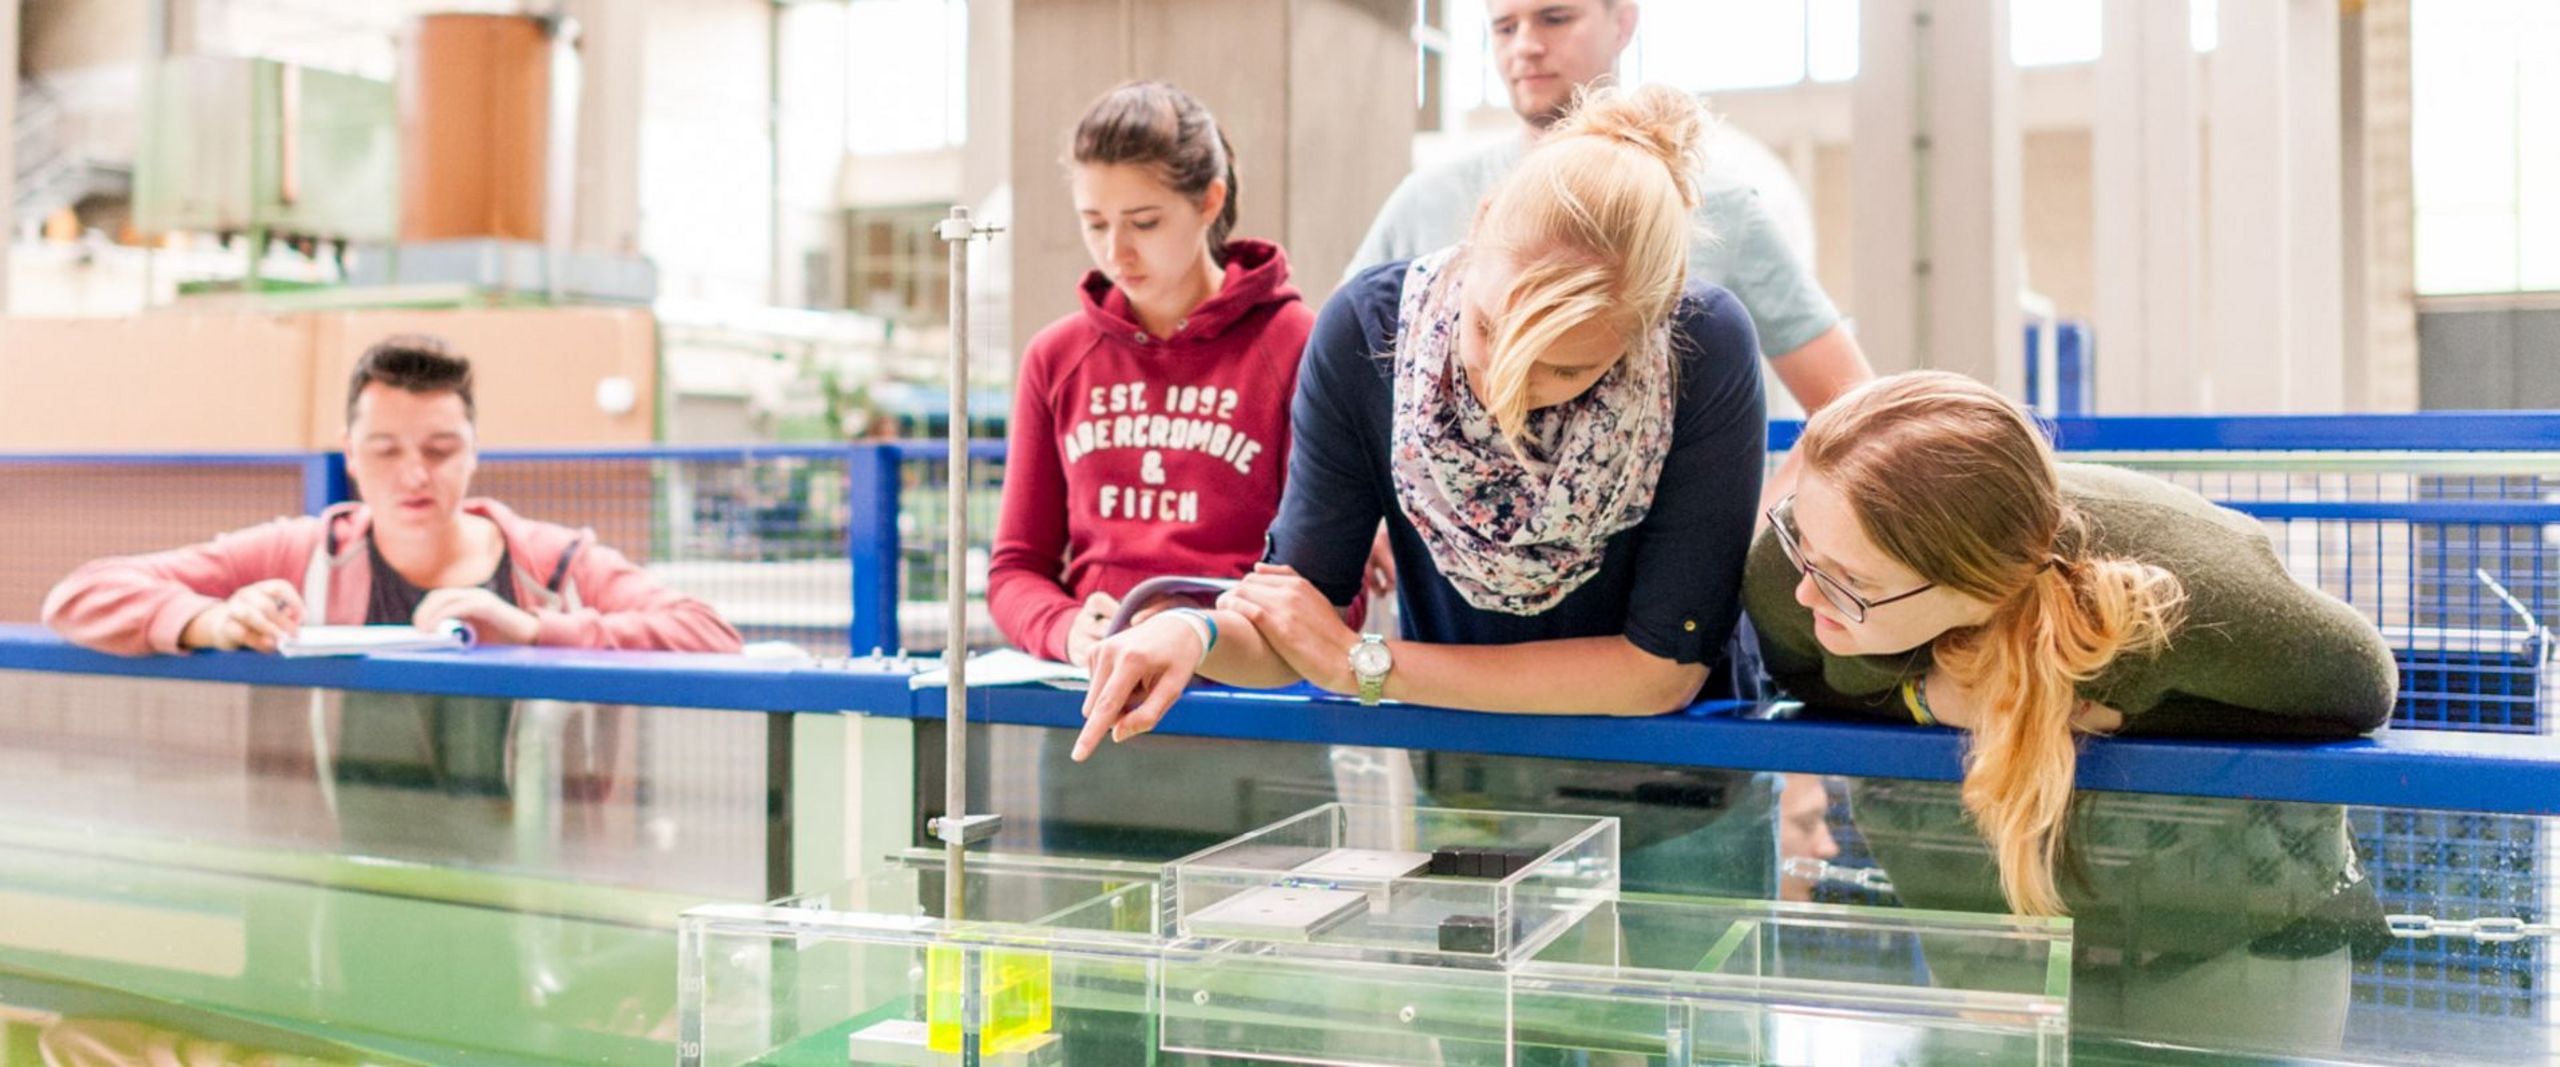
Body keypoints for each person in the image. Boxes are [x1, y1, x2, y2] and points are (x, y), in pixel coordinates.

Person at [1073, 84, 1766, 761]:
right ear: (1480, 223)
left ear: (1650, 324)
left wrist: (1367, 665)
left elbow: (1659, 671)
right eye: (1489, 329)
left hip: (1679, 787)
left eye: (1564, 370)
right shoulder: (1365, 334)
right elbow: (1292, 624)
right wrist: (1193, 632)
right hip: (1464, 784)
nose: (1506, 388)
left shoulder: (1703, 348)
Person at [1743, 371, 2397, 915]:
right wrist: (1929, 696)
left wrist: (2126, 711)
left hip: (2245, 920)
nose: (1806, 593)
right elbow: (1808, 680)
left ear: (1976, 589)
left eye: (1850, 581)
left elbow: (2360, 688)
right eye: (1804, 541)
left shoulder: (2184, 602)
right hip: (1997, 930)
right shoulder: (1796, 558)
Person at [1347, 0, 1873, 506]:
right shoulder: (1426, 201)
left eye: (1555, 18)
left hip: (1663, 575)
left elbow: (1851, 403)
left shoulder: (1717, 207)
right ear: (1485, 216)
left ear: (1622, 24)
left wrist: (1757, 537)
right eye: (1504, 27)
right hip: (1438, 581)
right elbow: (1336, 377)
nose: (1526, 45)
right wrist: (1363, 511)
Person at [43, 336, 743, 655]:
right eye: (385, 450)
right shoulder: (299, 552)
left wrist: (535, 631)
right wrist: (214, 620)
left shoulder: (553, 564)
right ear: (351, 456)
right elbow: (79, 595)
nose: (415, 474)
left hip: (536, 869)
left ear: (473, 452)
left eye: (439, 450)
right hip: (346, 871)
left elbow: (711, 634)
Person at [988, 81, 1317, 667]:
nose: (1116, 253)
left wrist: (1196, 631)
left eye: (1143, 223)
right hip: (1092, 702)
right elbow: (1015, 569)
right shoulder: (1055, 357)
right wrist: (1065, 628)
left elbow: (1328, 593)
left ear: (1209, 202)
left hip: (1249, 702)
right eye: (1094, 224)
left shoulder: (1297, 345)